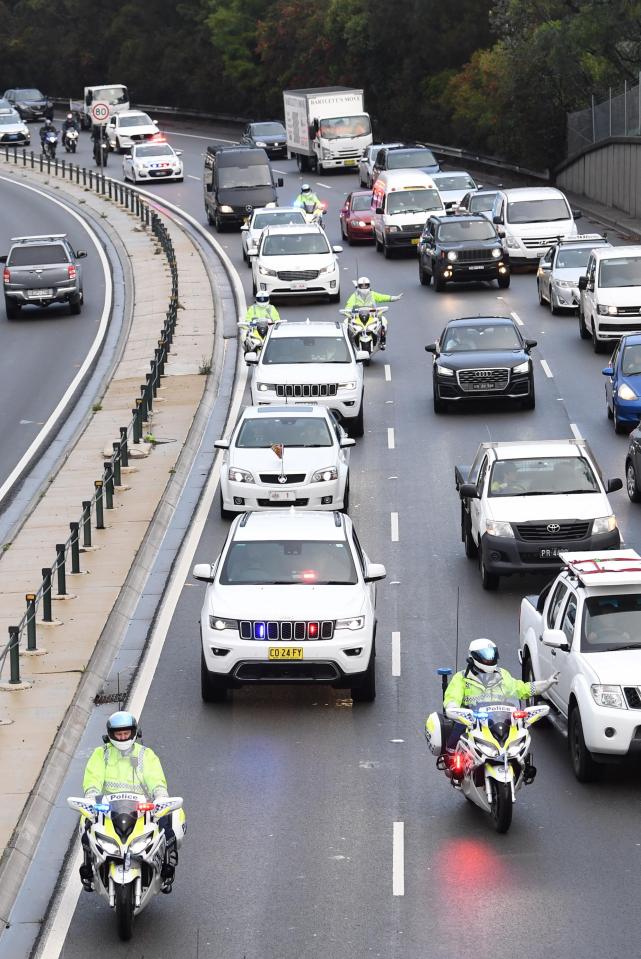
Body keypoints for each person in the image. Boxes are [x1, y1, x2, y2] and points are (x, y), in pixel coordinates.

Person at [80, 711, 182, 894]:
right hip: (109, 809)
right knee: (85, 823)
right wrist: (91, 796)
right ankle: (87, 868)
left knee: (170, 820)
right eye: (118, 734)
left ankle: (168, 866)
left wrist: (160, 796)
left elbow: (155, 778)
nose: (122, 737)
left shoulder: (145, 755)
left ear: (134, 732)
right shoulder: (100, 754)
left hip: (141, 809)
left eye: (126, 733)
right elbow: (92, 778)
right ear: (110, 735)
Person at [440, 639, 558, 765]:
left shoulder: (503, 675)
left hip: (500, 720)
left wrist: (546, 683)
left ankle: (520, 764)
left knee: (520, 736)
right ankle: (451, 758)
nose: (490, 660)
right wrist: (453, 708)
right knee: (458, 729)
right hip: (473, 721)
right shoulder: (461, 678)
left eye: (492, 655)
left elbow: (522, 689)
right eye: (485, 656)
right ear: (473, 657)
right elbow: (452, 697)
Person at [344, 277, 403, 348]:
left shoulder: (372, 294)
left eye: (366, 285)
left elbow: (382, 297)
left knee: (383, 320)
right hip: (358, 317)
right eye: (362, 286)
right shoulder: (354, 296)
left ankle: (382, 341)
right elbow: (348, 305)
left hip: (371, 316)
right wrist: (347, 311)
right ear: (358, 286)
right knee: (346, 323)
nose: (364, 287)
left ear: (369, 286)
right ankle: (347, 343)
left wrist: (394, 298)